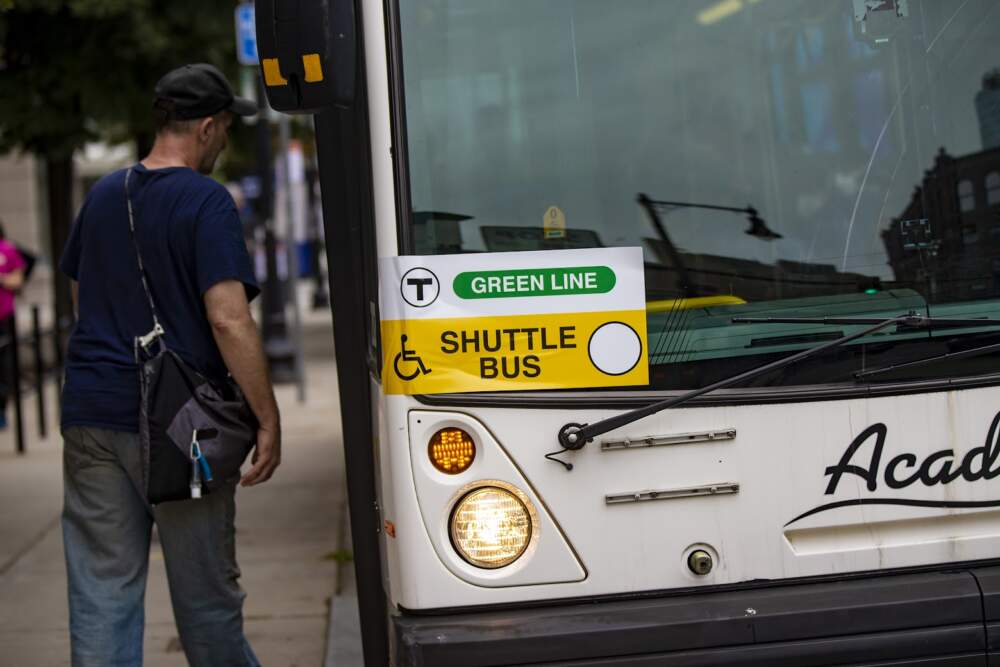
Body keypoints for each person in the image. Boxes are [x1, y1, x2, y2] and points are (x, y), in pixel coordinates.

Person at [58, 63, 281, 667]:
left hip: (92, 413)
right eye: (226, 128)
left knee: (101, 592)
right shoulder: (206, 201)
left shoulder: (104, 195)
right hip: (181, 428)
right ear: (207, 127)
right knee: (206, 601)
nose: (225, 140)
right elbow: (228, 318)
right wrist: (266, 416)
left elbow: (81, 297)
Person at [0, 220, 25, 428]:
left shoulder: (7, 249)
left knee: (4, 366)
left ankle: (1, 408)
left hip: (3, 316)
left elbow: (17, 280)